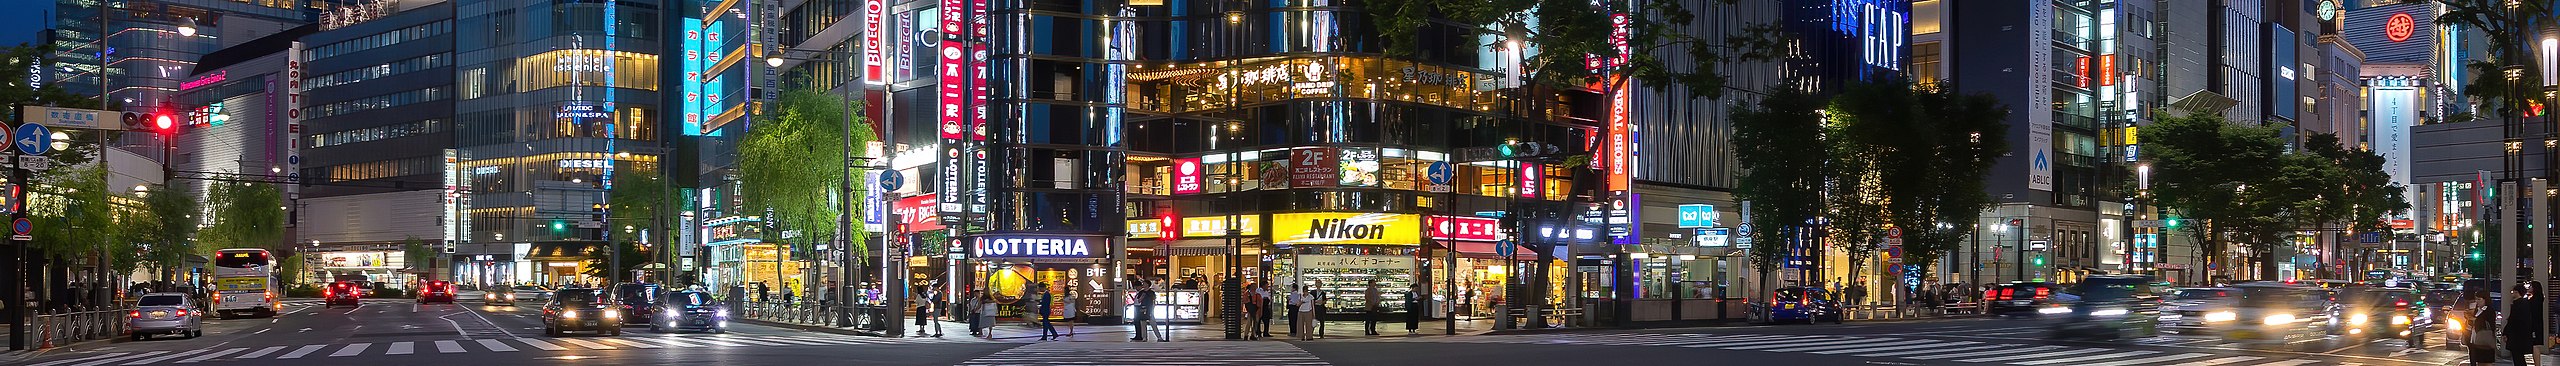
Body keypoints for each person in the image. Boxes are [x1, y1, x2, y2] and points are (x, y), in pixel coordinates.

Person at [2504, 282, 2544, 366]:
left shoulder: (2530, 301)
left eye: (2530, 286)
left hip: (2530, 328)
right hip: (2528, 328)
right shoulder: (2528, 301)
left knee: (2531, 348)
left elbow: (2513, 319)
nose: (2529, 288)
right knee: (2520, 355)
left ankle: (2537, 364)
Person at [2467, 290, 2500, 366]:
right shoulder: (2477, 310)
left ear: (2485, 299)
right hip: (2475, 337)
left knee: (2485, 360)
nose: (2477, 301)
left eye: (2479, 299)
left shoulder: (2489, 310)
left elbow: (2490, 324)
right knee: (2476, 358)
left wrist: (2476, 320)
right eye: (2476, 299)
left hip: (2485, 339)